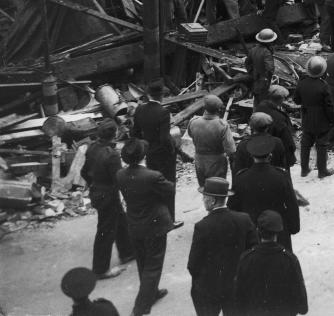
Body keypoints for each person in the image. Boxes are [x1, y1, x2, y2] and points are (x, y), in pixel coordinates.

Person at [116, 139, 173, 316]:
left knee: (143, 262)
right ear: (143, 156)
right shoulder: (153, 176)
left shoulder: (120, 174)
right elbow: (170, 190)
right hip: (154, 223)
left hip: (134, 223)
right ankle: (141, 306)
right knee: (154, 264)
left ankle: (152, 292)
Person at [187, 177, 257, 316]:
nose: (203, 200)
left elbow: (193, 264)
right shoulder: (244, 219)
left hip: (210, 289)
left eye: (204, 197)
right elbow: (254, 251)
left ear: (212, 200)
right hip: (237, 286)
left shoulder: (202, 226)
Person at [80, 120, 134, 280]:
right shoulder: (112, 155)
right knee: (105, 232)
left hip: (97, 192)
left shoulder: (92, 148)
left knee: (121, 221)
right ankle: (100, 269)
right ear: (114, 135)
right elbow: (119, 178)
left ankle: (127, 252)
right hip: (108, 196)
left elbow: (84, 172)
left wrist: (94, 184)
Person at [229, 136, 300, 251]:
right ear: (270, 156)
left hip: (250, 230)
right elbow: (292, 204)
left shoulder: (241, 178)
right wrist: (293, 227)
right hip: (277, 229)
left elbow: (232, 207)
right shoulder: (281, 176)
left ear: (252, 157)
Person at [233, 210, 309, 316]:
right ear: (278, 232)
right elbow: (302, 306)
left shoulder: (246, 259)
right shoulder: (290, 260)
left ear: (258, 230)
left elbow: (237, 302)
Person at [130, 80, 180, 228]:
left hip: (149, 154)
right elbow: (165, 138)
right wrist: (173, 150)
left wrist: (144, 147)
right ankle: (170, 219)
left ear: (148, 94)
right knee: (169, 186)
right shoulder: (163, 112)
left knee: (153, 185)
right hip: (164, 155)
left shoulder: (139, 109)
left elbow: (135, 133)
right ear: (161, 95)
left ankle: (155, 217)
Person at [294, 56, 334, 178]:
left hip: (307, 116)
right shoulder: (323, 86)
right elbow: (329, 106)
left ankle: (304, 169)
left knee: (305, 143)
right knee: (322, 144)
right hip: (321, 118)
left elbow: (296, 100)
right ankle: (322, 171)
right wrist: (332, 120)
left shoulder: (302, 83)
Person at [187, 95, 235, 187]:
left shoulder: (193, 121)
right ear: (219, 110)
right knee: (217, 190)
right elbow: (231, 150)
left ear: (204, 107)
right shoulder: (222, 125)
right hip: (217, 162)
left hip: (199, 160)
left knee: (203, 187)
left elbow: (190, 135)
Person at [254, 85, 296, 170]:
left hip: (260, 149)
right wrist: (291, 157)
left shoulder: (260, 107)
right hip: (277, 155)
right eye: (284, 98)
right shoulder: (279, 118)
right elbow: (288, 142)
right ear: (280, 99)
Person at [245, 28, 276, 105]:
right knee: (264, 102)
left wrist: (252, 73)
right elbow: (270, 68)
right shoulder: (266, 52)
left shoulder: (253, 50)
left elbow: (247, 63)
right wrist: (268, 78)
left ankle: (255, 114)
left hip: (256, 80)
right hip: (264, 82)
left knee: (256, 100)